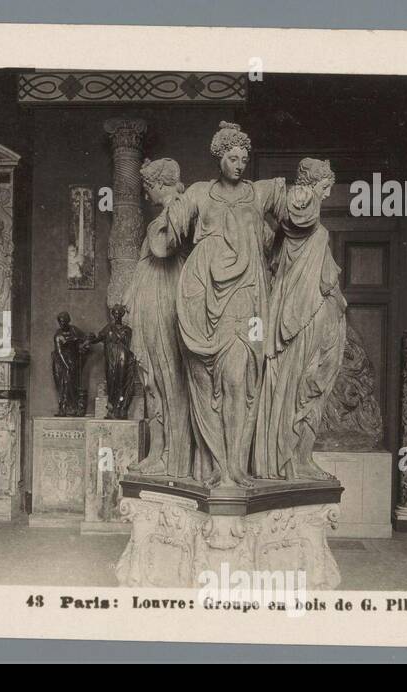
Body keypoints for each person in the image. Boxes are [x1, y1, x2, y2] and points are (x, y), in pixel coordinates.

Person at [164, 122, 288, 488]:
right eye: (233, 158)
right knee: (204, 383)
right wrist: (170, 211)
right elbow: (172, 229)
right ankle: (213, 465)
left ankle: (235, 466)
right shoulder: (201, 194)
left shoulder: (260, 193)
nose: (239, 165)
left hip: (247, 301)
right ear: (219, 158)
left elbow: (297, 214)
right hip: (203, 298)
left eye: (244, 159)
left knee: (239, 378)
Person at [254, 158, 346, 480]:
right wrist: (303, 191)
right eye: (325, 186)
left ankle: (298, 457)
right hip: (301, 318)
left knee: (307, 387)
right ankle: (294, 459)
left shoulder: (306, 227)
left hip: (310, 314)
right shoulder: (302, 215)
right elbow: (295, 209)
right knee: (301, 387)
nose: (329, 192)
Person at [126, 158, 193, 475]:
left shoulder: (179, 210)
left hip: (167, 296)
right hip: (153, 297)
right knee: (152, 379)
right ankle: (157, 451)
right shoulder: (169, 212)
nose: (145, 195)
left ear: (158, 185)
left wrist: (162, 226)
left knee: (169, 378)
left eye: (146, 189)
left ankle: (172, 455)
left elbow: (165, 249)